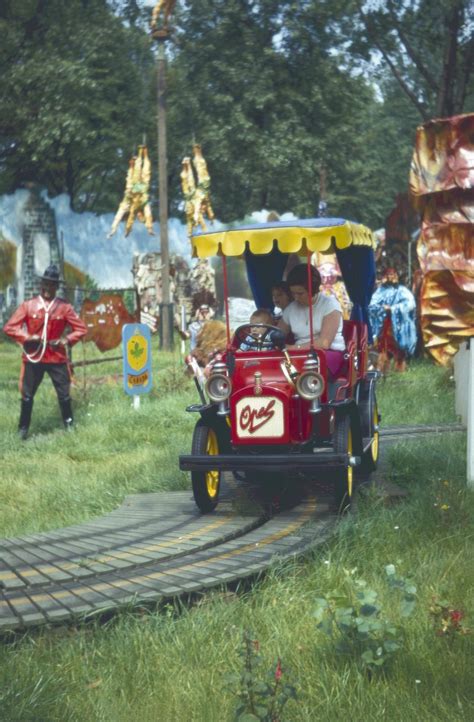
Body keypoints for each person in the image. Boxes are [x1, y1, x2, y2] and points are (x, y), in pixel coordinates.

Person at [3, 265, 87, 438]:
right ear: (41, 284)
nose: (47, 288)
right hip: (33, 357)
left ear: (56, 287)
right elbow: (9, 327)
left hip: (56, 357)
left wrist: (67, 340)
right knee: (27, 395)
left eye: (51, 285)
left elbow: (81, 329)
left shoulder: (64, 308)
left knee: (64, 394)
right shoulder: (29, 306)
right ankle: (23, 430)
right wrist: (27, 336)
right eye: (45, 284)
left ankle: (69, 428)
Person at [278, 263, 345, 377]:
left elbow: (324, 343)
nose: (295, 297)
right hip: (299, 355)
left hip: (328, 354)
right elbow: (276, 334)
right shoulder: (291, 309)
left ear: (313, 289)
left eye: (300, 293)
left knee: (309, 373)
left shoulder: (330, 305)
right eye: (293, 293)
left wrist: (293, 348)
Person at [369, 267, 417, 373]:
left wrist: (394, 308)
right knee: (383, 348)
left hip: (399, 326)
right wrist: (382, 309)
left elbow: (410, 304)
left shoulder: (403, 291)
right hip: (384, 326)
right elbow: (372, 305)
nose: (390, 277)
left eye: (392, 275)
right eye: (388, 275)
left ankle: (400, 369)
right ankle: (382, 369)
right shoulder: (379, 291)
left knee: (399, 350)